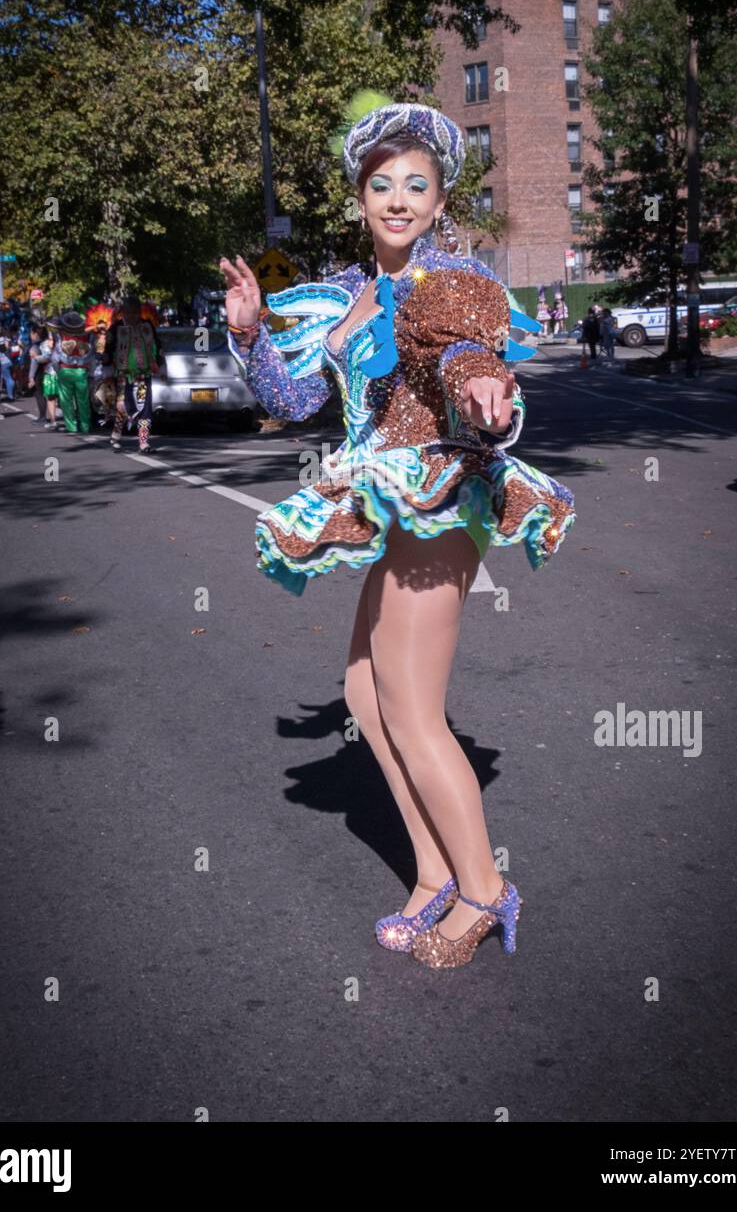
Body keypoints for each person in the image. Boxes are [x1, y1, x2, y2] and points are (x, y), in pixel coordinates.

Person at [221, 101, 575, 971]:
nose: (398, 199)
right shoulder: (351, 290)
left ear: (442, 199)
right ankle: (431, 874)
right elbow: (296, 402)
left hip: (438, 494)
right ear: (359, 196)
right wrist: (250, 333)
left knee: (413, 710)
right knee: (365, 697)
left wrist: (486, 394)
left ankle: (487, 890)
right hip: (379, 497)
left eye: (416, 185)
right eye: (382, 184)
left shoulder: (449, 283)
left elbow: (460, 354)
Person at [103, 297, 164, 453]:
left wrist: (162, 366)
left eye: (135, 312)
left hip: (143, 375)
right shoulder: (116, 327)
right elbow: (108, 350)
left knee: (144, 408)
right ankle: (116, 434)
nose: (131, 315)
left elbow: (157, 345)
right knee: (123, 406)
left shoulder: (147, 326)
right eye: (128, 312)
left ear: (139, 312)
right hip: (123, 376)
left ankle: (143, 442)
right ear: (123, 312)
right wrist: (107, 368)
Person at [55, 310, 93, 433]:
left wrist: (58, 369)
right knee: (83, 401)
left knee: (66, 401)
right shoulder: (87, 336)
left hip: (65, 370)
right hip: (81, 371)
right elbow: (91, 355)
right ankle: (85, 426)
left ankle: (71, 426)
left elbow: (55, 356)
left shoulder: (60, 335)